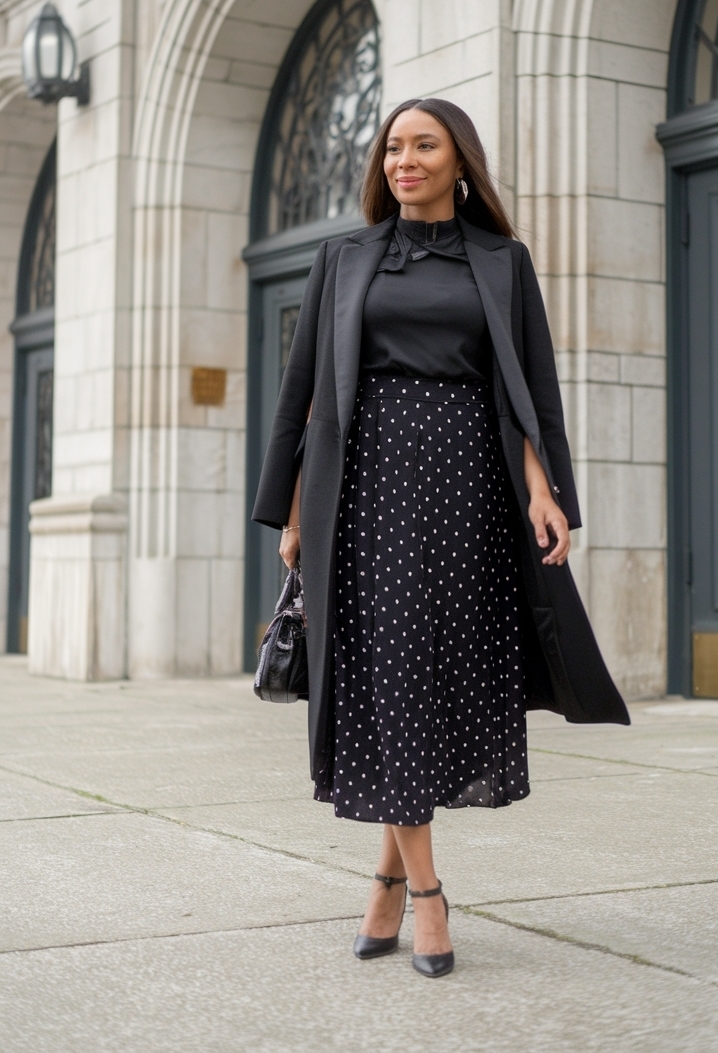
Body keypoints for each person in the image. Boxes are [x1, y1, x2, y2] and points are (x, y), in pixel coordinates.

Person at [253, 98, 629, 979]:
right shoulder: (343, 257)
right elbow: (304, 393)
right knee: (389, 676)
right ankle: (427, 893)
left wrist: (545, 492)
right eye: (393, 147)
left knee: (437, 679)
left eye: (424, 146)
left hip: (470, 489)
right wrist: (295, 513)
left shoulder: (502, 261)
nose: (404, 161)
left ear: (461, 162)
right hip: (365, 488)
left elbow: (529, 389)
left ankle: (385, 878)